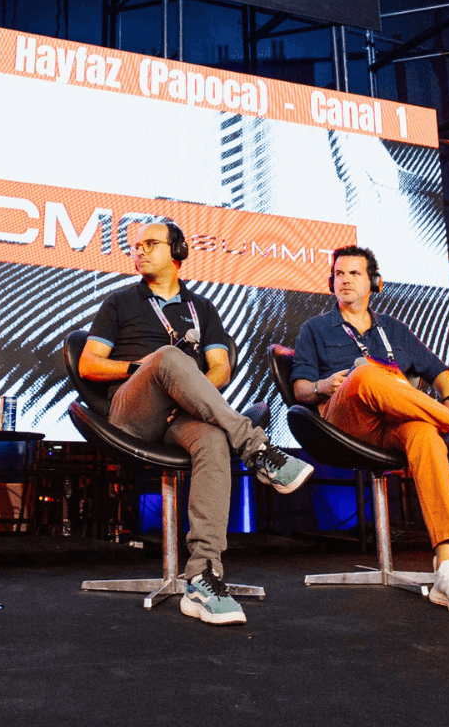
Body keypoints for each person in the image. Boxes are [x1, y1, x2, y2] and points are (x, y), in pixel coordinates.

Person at [78, 220, 315, 626]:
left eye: (150, 243)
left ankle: (203, 576)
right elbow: (88, 363)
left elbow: (220, 368)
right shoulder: (120, 302)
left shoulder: (202, 307)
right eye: (136, 246)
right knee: (169, 357)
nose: (139, 251)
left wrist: (191, 390)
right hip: (133, 412)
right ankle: (257, 449)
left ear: (178, 252)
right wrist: (144, 366)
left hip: (182, 416)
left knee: (212, 440)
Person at [290, 246, 449, 614]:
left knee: (425, 435)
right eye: (339, 274)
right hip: (344, 421)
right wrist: (322, 385)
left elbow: (438, 370)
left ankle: (447, 567)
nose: (344, 280)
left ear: (374, 282)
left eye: (354, 274)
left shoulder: (393, 328)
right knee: (365, 373)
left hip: (391, 422)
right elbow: (300, 389)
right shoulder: (315, 328)